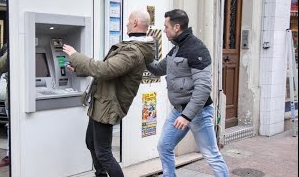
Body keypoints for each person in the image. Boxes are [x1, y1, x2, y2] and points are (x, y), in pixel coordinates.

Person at [62, 9, 155, 177]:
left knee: (103, 153)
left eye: (128, 20)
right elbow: (108, 73)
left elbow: (104, 70)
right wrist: (79, 68)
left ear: (134, 23)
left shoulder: (132, 51)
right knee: (91, 142)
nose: (126, 23)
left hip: (108, 105)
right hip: (101, 100)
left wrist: (76, 56)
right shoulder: (131, 47)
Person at [146, 9, 229, 177]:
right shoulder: (176, 49)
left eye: (166, 26)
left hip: (198, 112)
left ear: (177, 27)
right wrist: (142, 55)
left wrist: (186, 116)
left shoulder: (197, 49)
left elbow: (203, 88)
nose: (164, 30)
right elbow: (157, 69)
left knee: (211, 155)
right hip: (179, 111)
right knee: (165, 146)